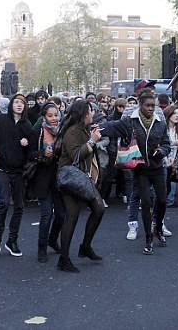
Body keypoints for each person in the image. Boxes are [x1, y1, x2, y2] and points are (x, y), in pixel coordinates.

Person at [101, 91, 171, 255]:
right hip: (140, 169)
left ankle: (158, 227)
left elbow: (167, 143)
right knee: (145, 202)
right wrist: (95, 128)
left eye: (153, 106)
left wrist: (162, 150)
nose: (150, 109)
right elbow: (113, 127)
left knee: (162, 201)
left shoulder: (160, 123)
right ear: (140, 105)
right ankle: (148, 239)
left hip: (157, 168)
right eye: (147, 106)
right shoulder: (130, 122)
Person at [56, 100, 106, 272]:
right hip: (70, 178)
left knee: (99, 209)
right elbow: (76, 155)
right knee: (72, 216)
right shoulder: (72, 132)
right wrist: (91, 141)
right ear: (84, 113)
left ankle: (85, 246)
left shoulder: (84, 130)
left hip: (83, 178)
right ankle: (64, 259)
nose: (93, 113)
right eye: (91, 110)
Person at [0, 94, 33, 257]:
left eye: (23, 103)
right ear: (12, 104)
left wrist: (26, 144)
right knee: (4, 203)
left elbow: (31, 151)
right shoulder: (0, 120)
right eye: (17, 102)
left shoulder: (27, 125)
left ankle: (12, 240)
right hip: (2, 168)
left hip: (19, 170)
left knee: (19, 206)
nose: (20, 105)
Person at [29, 102, 65, 263]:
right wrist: (43, 153)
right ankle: (41, 247)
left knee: (61, 215)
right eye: (50, 116)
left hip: (59, 178)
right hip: (42, 177)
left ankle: (52, 239)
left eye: (56, 115)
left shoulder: (63, 132)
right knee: (46, 214)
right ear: (44, 117)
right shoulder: (37, 132)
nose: (54, 118)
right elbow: (29, 154)